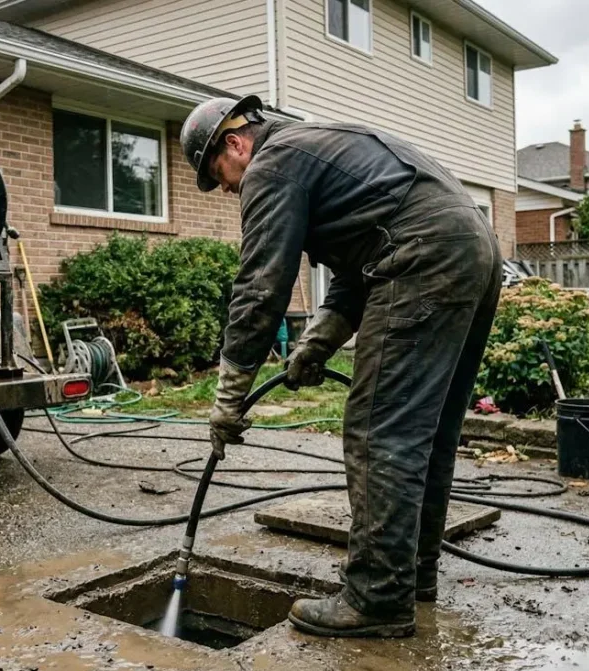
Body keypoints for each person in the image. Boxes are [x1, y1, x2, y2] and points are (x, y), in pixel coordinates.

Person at [181, 95, 502, 638]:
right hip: (473, 247)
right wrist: (316, 344)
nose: (230, 190)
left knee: (380, 431)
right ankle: (409, 575)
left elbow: (261, 289)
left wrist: (229, 395)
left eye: (221, 177)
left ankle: (377, 597)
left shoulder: (272, 165)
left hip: (425, 253)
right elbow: (360, 265)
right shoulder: (320, 148)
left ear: (234, 144)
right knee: (429, 430)